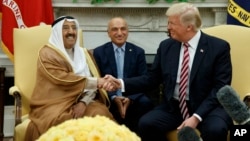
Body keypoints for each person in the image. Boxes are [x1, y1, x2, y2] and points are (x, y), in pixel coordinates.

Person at [102, 3, 233, 141]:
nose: (168, 27)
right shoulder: (166, 46)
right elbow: (151, 78)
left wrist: (196, 117)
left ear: (189, 26)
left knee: (216, 129)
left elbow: (220, 88)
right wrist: (120, 83)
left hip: (208, 108)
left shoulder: (218, 47)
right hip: (175, 108)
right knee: (146, 124)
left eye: (172, 23)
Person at [25, 16, 114, 141]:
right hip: (54, 103)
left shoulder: (84, 54)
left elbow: (93, 84)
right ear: (56, 32)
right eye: (65, 28)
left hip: (85, 101)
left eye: (74, 28)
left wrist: (84, 102)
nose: (71, 32)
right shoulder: (47, 54)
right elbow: (61, 79)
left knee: (101, 115)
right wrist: (97, 82)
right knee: (65, 121)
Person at [93, 17, 154, 133]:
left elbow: (144, 80)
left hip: (133, 96)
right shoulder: (99, 52)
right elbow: (98, 79)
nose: (119, 33)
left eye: (123, 29)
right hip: (109, 97)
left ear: (128, 31)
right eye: (115, 29)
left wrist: (129, 99)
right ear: (108, 33)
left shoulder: (138, 52)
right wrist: (114, 97)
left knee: (146, 103)